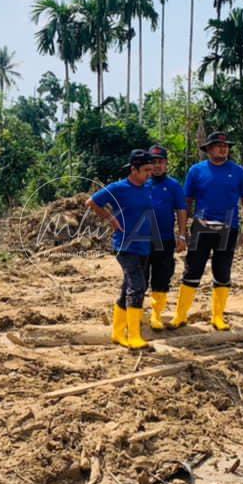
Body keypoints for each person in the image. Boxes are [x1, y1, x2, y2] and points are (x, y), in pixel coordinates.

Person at [171, 131, 243, 331]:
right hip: (201, 227)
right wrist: (182, 230)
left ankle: (217, 317)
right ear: (208, 149)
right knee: (192, 270)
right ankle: (180, 315)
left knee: (222, 272)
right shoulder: (196, 171)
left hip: (228, 229)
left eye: (225, 146)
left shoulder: (238, 172)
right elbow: (186, 202)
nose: (223, 148)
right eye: (218, 145)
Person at [87, 150, 156, 350]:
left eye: (151, 170)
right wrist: (110, 219)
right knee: (137, 286)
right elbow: (92, 202)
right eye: (145, 170)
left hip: (144, 244)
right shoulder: (119, 188)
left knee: (129, 287)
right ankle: (133, 335)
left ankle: (117, 333)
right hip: (125, 245)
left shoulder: (147, 187)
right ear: (133, 170)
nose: (149, 174)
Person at [143, 145, 188, 330]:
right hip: (142, 239)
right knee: (140, 277)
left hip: (165, 238)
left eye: (160, 162)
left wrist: (182, 235)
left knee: (162, 276)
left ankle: (156, 314)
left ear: (166, 164)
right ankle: (135, 313)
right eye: (153, 162)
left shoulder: (173, 185)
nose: (157, 166)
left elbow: (181, 210)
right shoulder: (140, 183)